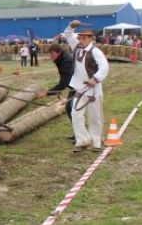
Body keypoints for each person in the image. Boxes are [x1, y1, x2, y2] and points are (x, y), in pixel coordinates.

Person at [64, 20, 109, 153]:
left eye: (84, 37)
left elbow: (104, 66)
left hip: (93, 90)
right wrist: (72, 26)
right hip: (79, 88)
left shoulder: (96, 52)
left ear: (90, 39)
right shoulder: (77, 47)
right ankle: (82, 140)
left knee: (95, 118)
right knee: (75, 114)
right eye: (80, 37)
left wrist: (95, 79)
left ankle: (96, 143)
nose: (81, 39)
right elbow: (67, 34)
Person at [37, 43, 75, 122]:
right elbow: (63, 77)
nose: (50, 56)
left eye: (52, 53)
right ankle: (77, 133)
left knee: (73, 110)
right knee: (69, 109)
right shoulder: (61, 59)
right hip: (74, 87)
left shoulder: (66, 61)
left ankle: (79, 134)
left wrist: (47, 93)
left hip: (81, 87)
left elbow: (63, 83)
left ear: (58, 52)